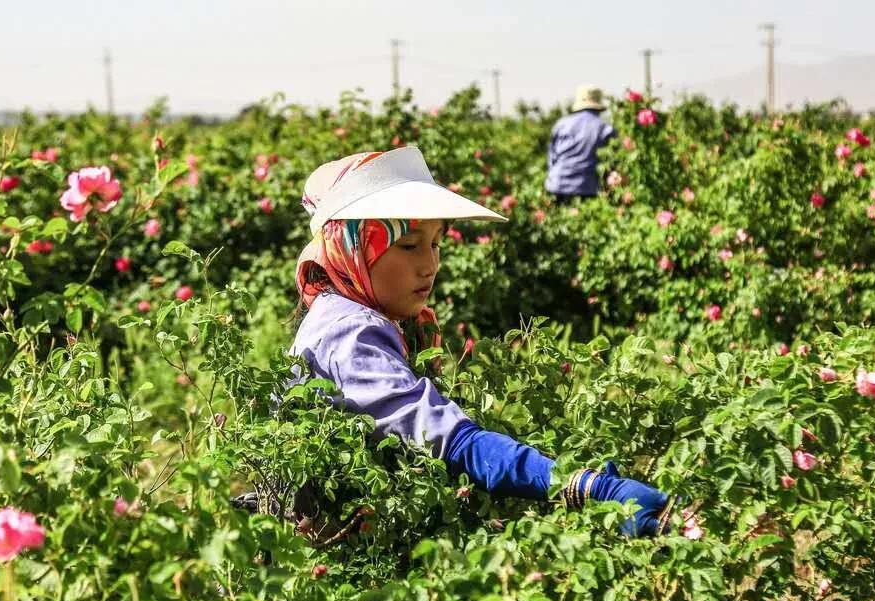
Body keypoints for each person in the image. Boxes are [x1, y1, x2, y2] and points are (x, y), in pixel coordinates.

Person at [273, 146, 675, 539]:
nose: (429, 264)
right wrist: (585, 487)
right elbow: (450, 441)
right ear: (354, 249)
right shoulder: (348, 333)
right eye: (408, 245)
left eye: (435, 244)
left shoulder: (364, 316)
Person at [545, 85, 616, 205]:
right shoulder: (606, 129)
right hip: (588, 188)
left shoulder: (561, 124)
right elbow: (611, 163)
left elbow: (552, 159)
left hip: (557, 185)